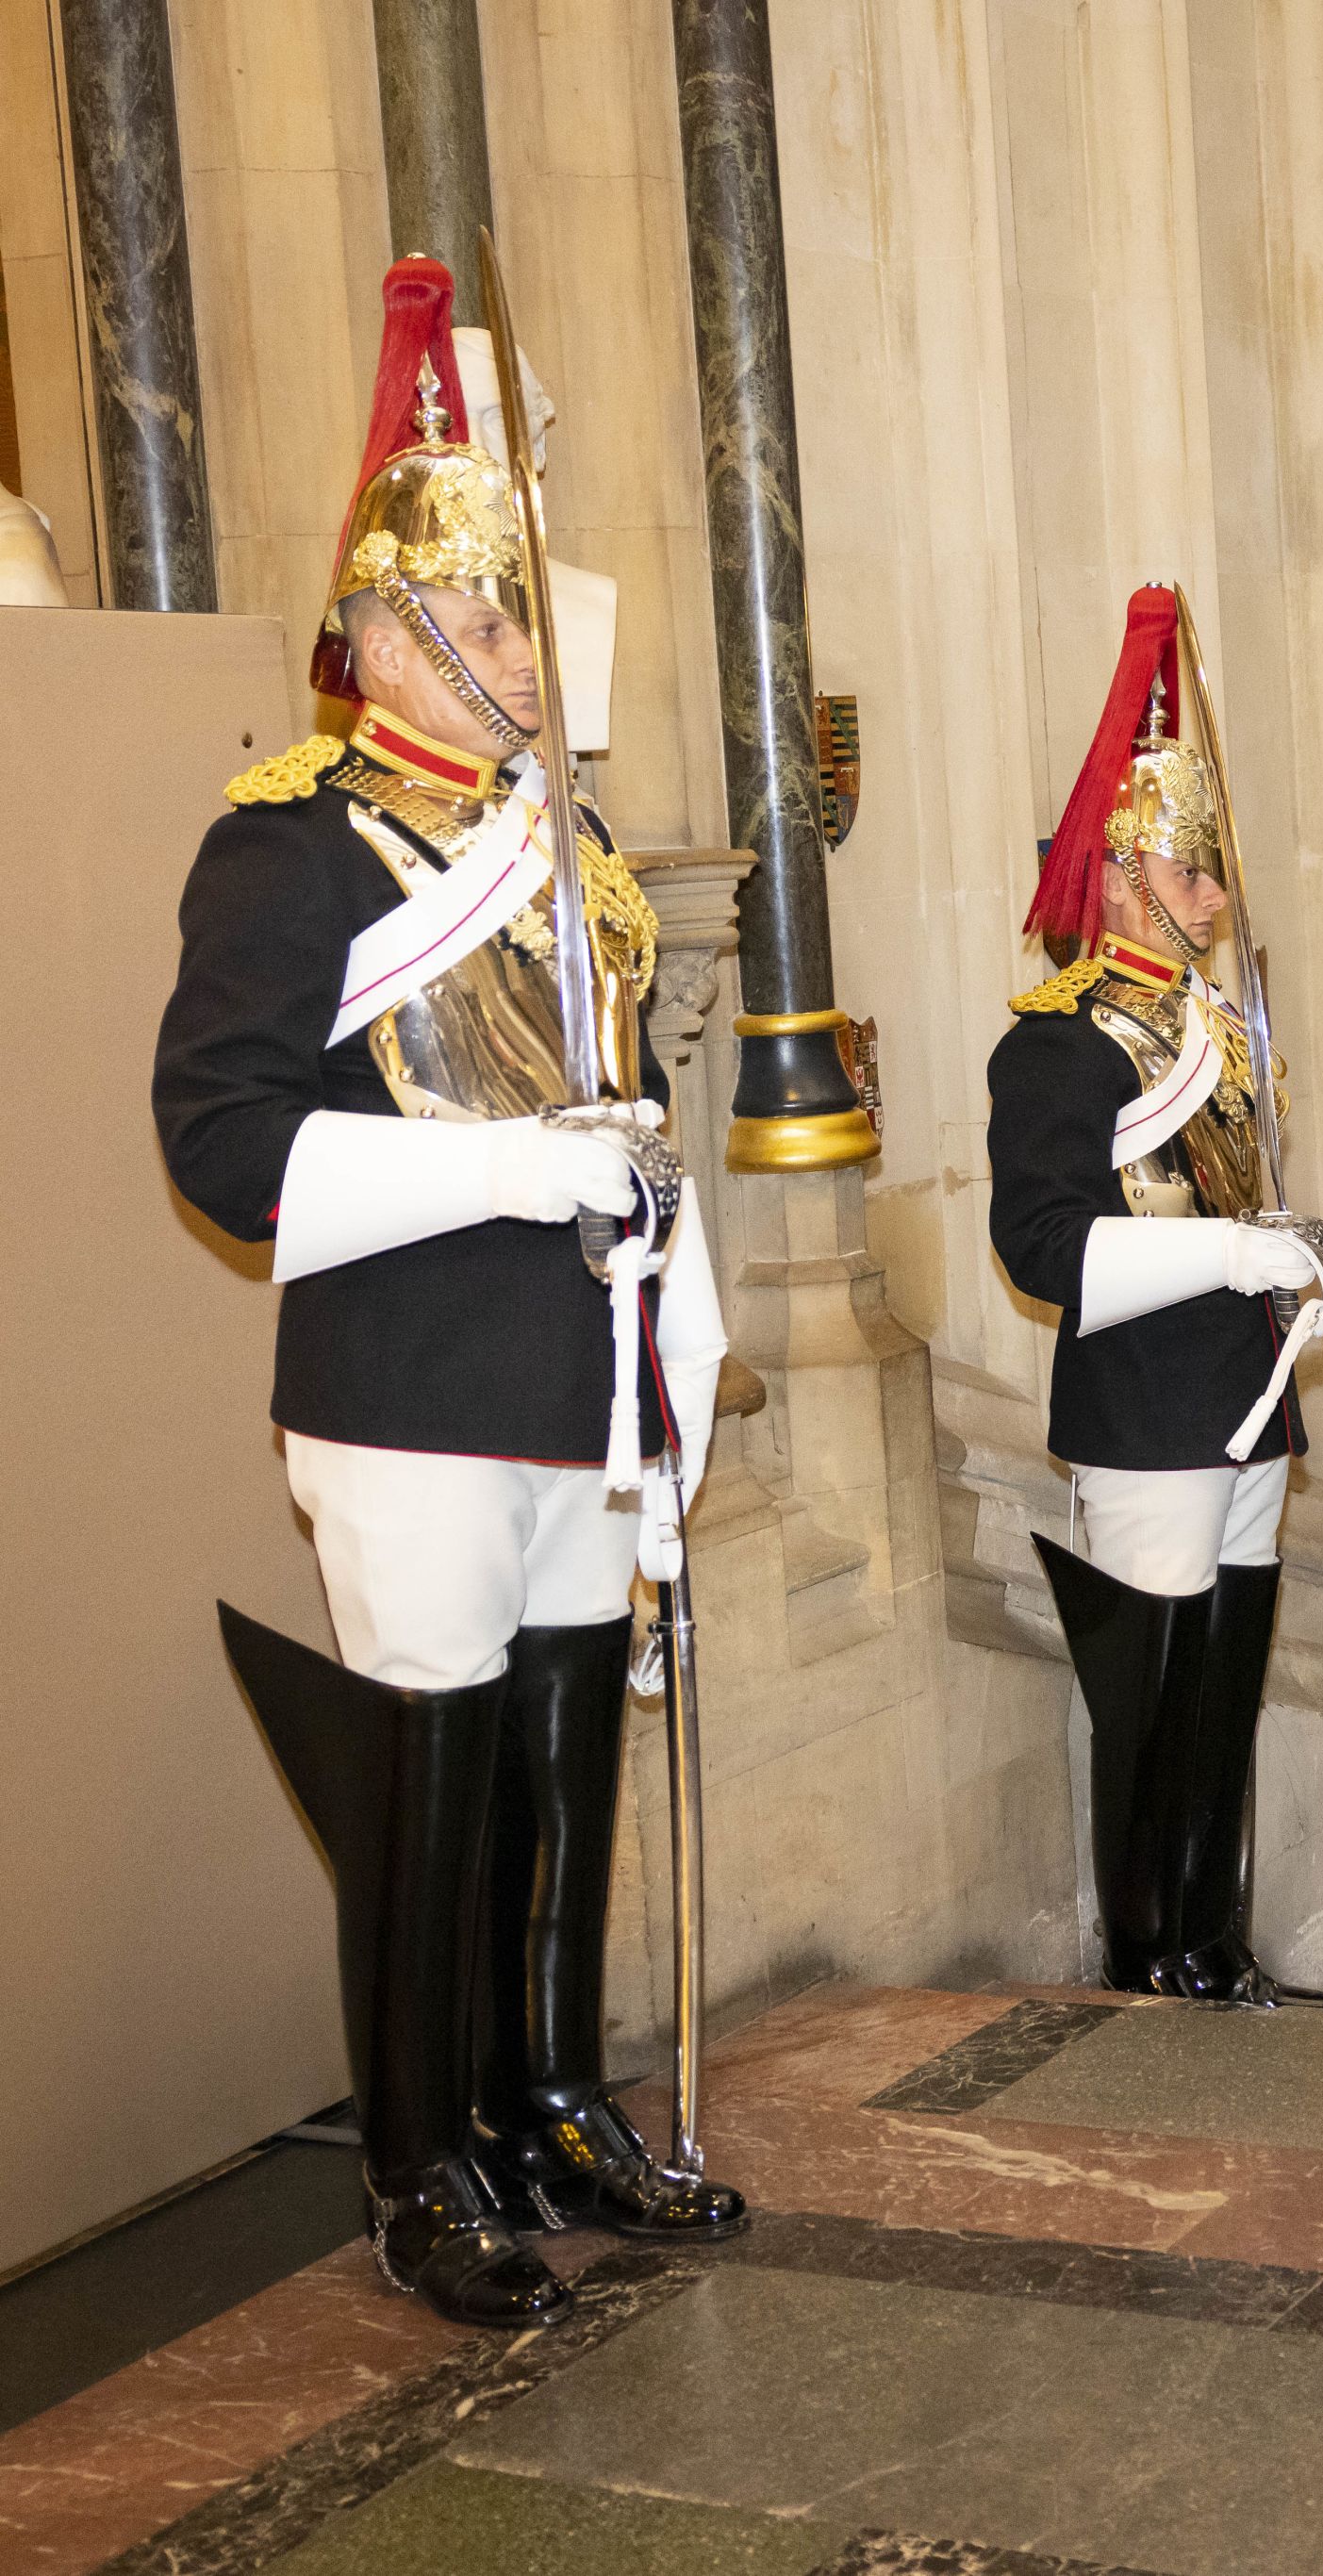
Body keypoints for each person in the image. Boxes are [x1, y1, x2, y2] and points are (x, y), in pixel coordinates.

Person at [153, 256, 742, 2330]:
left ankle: (550, 2095)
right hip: (405, 1391)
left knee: (566, 1763)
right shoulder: (292, 847)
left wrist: (682, 1300)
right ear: (389, 633)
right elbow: (223, 1150)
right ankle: (418, 2166)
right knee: (432, 1781)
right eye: (483, 618)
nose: (517, 651)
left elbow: (630, 1110)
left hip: (576, 1389)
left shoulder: (567, 855)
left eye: (517, 614)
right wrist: (510, 1165)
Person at [987, 586, 1323, 2007]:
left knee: (1222, 1685)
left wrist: (1286, 1257)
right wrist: (1234, 1257)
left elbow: (1238, 1198)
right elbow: (1045, 1251)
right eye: (1192, 879)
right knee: (1148, 1701)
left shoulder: (1215, 1031)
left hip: (1247, 1398)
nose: (1213, 903)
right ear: (1128, 876)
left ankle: (1214, 1938)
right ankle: (1148, 1960)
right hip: (1145, 1409)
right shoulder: (1061, 1044)